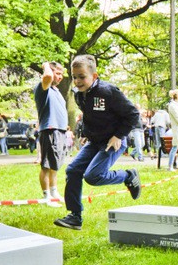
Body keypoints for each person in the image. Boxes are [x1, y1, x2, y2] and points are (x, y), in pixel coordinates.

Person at [53, 54, 142, 230]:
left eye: (82, 77)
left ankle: (128, 176)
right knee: (73, 170)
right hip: (94, 141)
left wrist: (118, 136)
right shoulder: (78, 95)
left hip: (113, 141)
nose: (77, 81)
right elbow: (90, 116)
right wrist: (87, 132)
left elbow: (133, 114)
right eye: (74, 77)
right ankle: (75, 216)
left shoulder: (108, 92)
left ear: (94, 76)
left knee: (92, 176)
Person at [35, 61, 68, 207]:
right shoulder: (44, 87)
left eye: (62, 74)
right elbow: (47, 75)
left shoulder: (56, 90)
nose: (60, 77)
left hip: (59, 130)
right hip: (49, 129)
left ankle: (54, 192)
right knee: (47, 166)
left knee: (55, 165)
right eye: (58, 74)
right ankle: (46, 196)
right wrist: (46, 65)